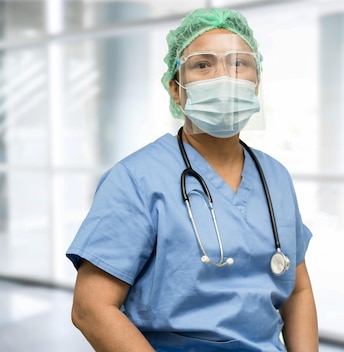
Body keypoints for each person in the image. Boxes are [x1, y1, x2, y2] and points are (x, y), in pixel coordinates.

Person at [66, 7, 318, 352]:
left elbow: (298, 291)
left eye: (239, 64)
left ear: (256, 83)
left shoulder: (275, 177)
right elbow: (91, 308)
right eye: (203, 65)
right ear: (176, 89)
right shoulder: (136, 179)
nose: (224, 78)